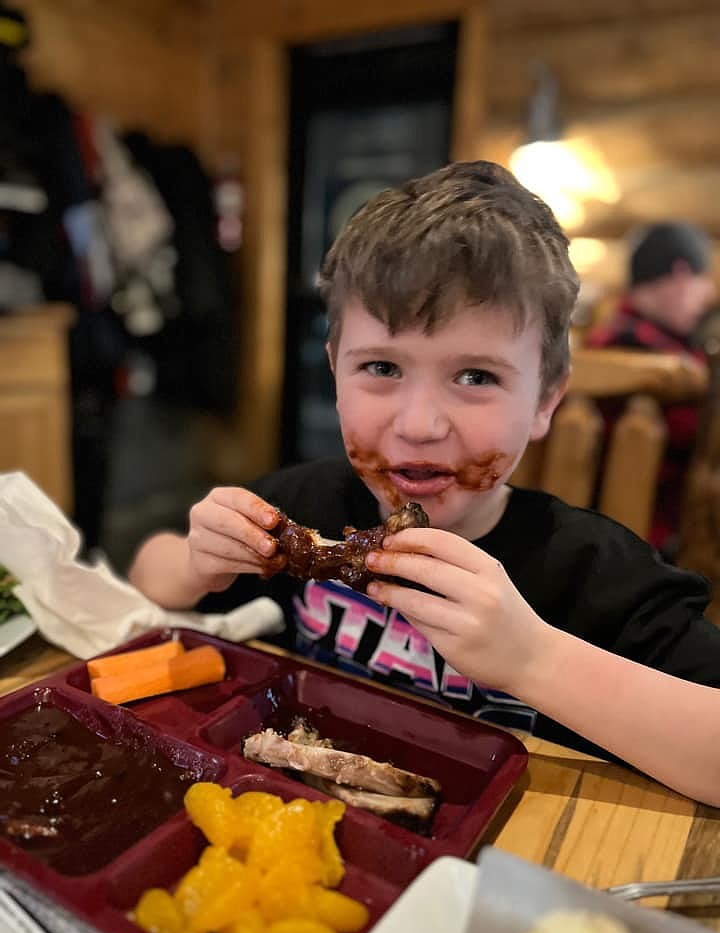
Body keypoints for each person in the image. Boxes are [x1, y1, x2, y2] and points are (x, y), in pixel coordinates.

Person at [129, 161, 720, 807]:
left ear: (546, 399)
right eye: (381, 367)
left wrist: (532, 661)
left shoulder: (592, 571)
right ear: (335, 371)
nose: (419, 425)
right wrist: (196, 562)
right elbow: (148, 576)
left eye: (475, 378)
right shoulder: (309, 506)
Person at [585, 221, 717, 558]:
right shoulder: (649, 353)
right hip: (645, 539)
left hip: (612, 532)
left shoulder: (609, 335)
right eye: (702, 280)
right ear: (680, 273)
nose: (706, 295)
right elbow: (702, 436)